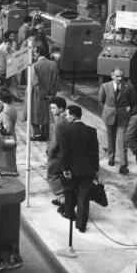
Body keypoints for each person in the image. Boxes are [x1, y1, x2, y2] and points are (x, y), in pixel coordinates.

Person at [59, 105, 99, 233]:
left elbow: (64, 153)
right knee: (84, 196)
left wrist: (65, 169)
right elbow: (95, 153)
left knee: (70, 192)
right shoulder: (91, 131)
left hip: (72, 169)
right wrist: (96, 169)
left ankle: (69, 213)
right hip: (88, 169)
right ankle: (81, 225)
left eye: (67, 115)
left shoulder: (65, 130)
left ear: (73, 116)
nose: (66, 118)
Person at [98, 67, 137, 174]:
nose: (120, 78)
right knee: (110, 139)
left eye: (121, 76)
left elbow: (134, 104)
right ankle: (111, 159)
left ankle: (123, 165)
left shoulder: (129, 87)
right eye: (117, 76)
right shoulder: (105, 86)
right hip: (109, 116)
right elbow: (101, 101)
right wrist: (107, 111)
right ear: (112, 76)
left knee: (122, 141)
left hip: (123, 118)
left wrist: (129, 113)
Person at [30, 45, 59, 141]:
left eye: (34, 52)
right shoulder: (53, 65)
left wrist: (43, 94)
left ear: (38, 53)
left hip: (37, 95)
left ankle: (37, 134)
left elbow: (35, 83)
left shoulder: (35, 66)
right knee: (47, 114)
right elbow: (56, 82)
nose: (33, 54)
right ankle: (45, 135)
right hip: (50, 95)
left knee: (34, 114)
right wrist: (51, 94)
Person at [47, 96, 69, 203]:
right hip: (67, 154)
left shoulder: (58, 123)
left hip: (57, 155)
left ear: (61, 109)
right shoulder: (68, 119)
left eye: (53, 108)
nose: (51, 111)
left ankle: (62, 200)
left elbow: (54, 142)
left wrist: (49, 153)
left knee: (52, 175)